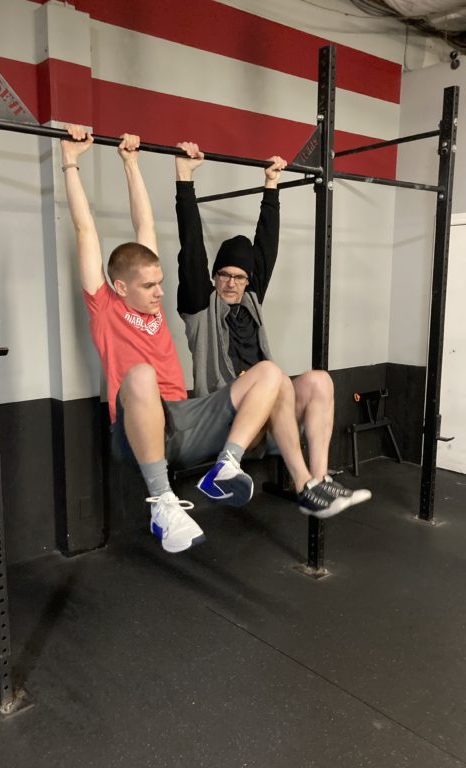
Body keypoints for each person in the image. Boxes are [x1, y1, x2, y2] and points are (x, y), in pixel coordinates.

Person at [60, 125, 300, 555]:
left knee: (269, 373)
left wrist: (131, 163)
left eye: (160, 283)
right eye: (149, 286)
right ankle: (163, 504)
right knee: (139, 375)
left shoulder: (150, 297)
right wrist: (70, 161)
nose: (159, 293)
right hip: (135, 428)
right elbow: (84, 231)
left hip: (184, 418)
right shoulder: (104, 306)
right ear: (118, 286)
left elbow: (145, 223)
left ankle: (226, 468)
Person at [174, 141, 371, 516]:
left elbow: (267, 245)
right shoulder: (200, 308)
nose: (231, 283)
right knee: (271, 372)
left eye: (240, 277)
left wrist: (271, 185)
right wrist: (184, 178)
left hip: (267, 414)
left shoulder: (251, 300)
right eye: (224, 276)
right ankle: (303, 486)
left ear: (248, 281)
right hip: (224, 416)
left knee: (319, 381)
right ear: (214, 277)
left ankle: (318, 482)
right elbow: (191, 247)